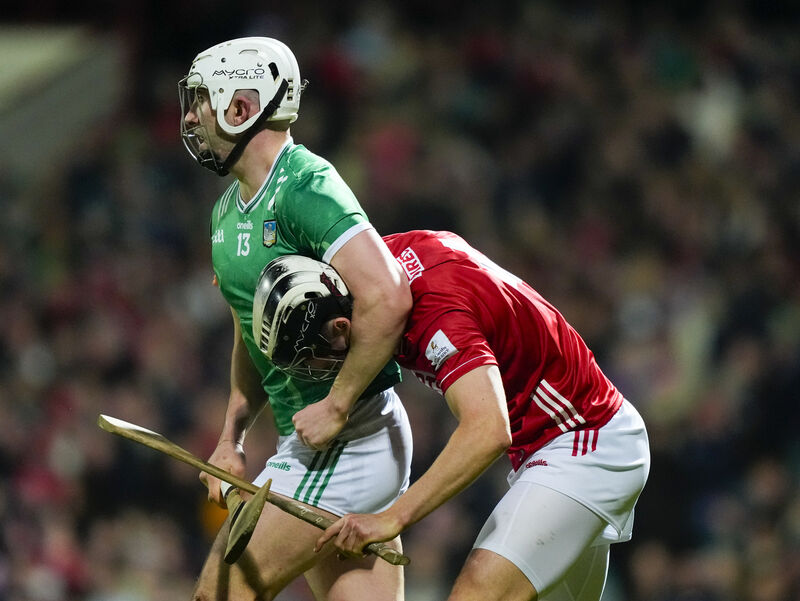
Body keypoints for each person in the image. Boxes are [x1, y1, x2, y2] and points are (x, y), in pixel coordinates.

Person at [252, 229, 651, 601]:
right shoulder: (380, 261)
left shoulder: (437, 320)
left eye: (319, 361)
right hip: (564, 447)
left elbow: (488, 430)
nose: (326, 374)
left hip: (584, 443)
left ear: (341, 325)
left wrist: (394, 518)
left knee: (473, 592)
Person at [178, 36, 414, 601]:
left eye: (200, 101)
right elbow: (249, 328)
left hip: (351, 437)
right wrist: (231, 435)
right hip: (314, 442)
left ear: (241, 108)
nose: (189, 116)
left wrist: (336, 404)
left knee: (219, 594)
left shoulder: (306, 186)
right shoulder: (225, 212)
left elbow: (389, 297)